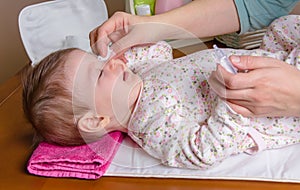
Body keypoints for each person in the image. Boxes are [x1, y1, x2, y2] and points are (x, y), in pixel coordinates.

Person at [23, 15, 300, 169]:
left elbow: (161, 52)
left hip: (268, 59)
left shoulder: (139, 76)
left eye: (99, 61)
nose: (108, 65)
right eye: (97, 73)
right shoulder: (152, 125)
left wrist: (128, 49)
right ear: (95, 121)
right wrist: (230, 105)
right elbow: (202, 151)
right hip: (266, 105)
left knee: (283, 26)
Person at [89, 0, 300, 118]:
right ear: (95, 121)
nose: (112, 63)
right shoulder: (149, 117)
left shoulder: (152, 113)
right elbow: (261, 4)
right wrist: (155, 26)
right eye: (99, 70)